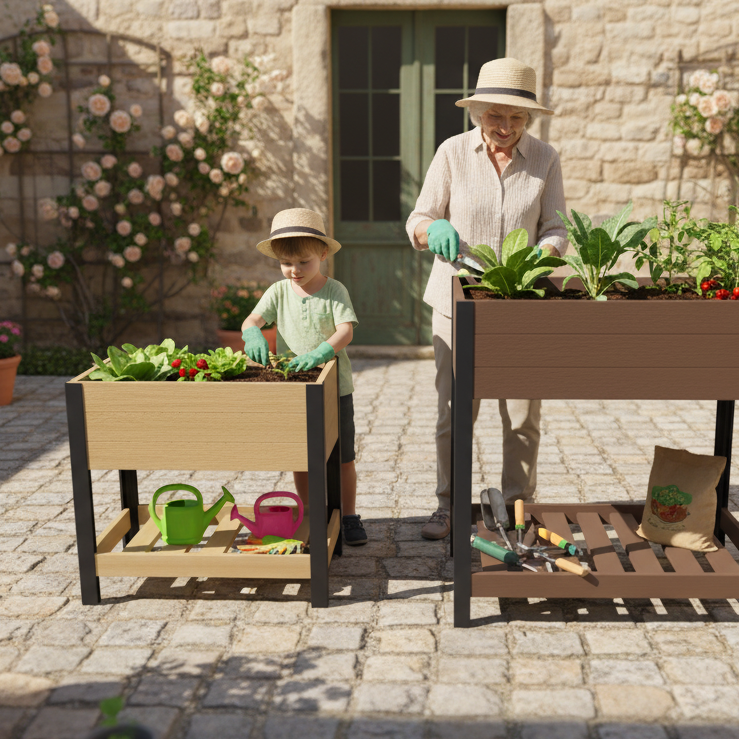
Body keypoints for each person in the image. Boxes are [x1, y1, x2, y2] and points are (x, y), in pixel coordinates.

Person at [405, 57, 567, 540]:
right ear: (477, 113)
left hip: (519, 305)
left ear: (529, 118)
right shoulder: (452, 153)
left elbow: (557, 227)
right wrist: (431, 227)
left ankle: (518, 508)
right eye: (496, 115)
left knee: (521, 416)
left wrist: (543, 254)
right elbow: (418, 217)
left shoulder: (545, 158)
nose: (506, 127)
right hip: (457, 302)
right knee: (455, 410)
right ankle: (447, 506)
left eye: (517, 118)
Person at [241, 208, 366, 545]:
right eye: (286, 263)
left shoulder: (335, 290)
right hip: (294, 390)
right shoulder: (278, 292)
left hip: (334, 387)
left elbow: (345, 331)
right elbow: (251, 320)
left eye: (304, 262)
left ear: (323, 255)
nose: (294, 270)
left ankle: (350, 514)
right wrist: (252, 333)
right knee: (302, 456)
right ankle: (311, 512)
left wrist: (321, 353)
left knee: (342, 457)